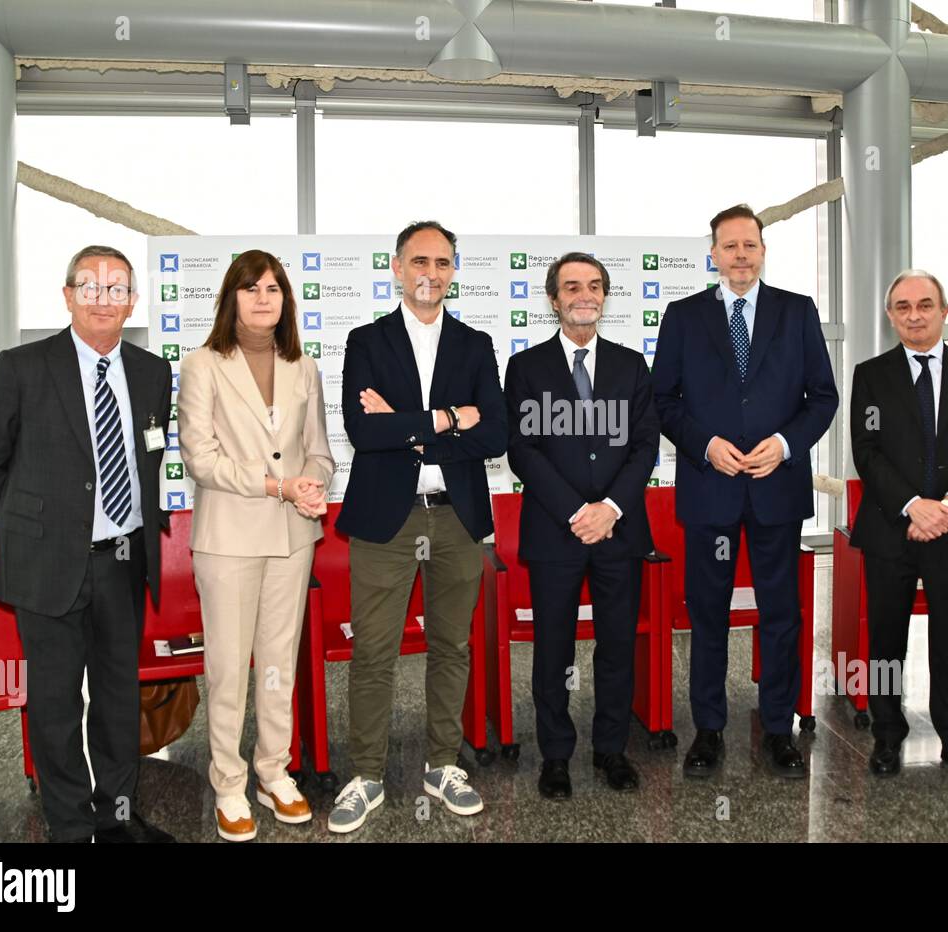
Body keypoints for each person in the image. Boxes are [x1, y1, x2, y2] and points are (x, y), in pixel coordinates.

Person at [0, 245, 173, 843]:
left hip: (124, 562)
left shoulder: (151, 372)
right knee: (55, 702)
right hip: (46, 566)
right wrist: (32, 531)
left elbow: (147, 460)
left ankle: (118, 816)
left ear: (132, 300)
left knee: (116, 696)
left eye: (116, 289)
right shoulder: (22, 367)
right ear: (67, 295)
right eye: (90, 286)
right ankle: (71, 826)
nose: (103, 299)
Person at [329, 221, 507, 833]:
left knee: (450, 646)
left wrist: (408, 427)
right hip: (387, 518)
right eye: (419, 260)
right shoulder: (366, 341)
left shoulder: (476, 344)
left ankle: (442, 764)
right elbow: (363, 432)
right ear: (398, 268)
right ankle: (367, 774)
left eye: (443, 261)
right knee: (374, 650)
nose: (431, 271)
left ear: (454, 270)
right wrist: (449, 418)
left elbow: (496, 435)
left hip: (456, 518)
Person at [652, 204, 838, 778]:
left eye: (749, 246)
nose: (740, 255)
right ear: (713, 254)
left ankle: (778, 728)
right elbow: (665, 401)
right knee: (707, 613)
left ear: (762, 252)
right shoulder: (682, 316)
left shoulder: (797, 311)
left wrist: (785, 444)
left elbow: (822, 398)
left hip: (775, 490)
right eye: (729, 246)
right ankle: (708, 729)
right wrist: (704, 445)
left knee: (780, 612)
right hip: (711, 489)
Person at [177, 249, 334, 841]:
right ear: (231, 297)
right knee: (228, 669)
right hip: (228, 539)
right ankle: (227, 781)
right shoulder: (202, 365)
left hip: (293, 537)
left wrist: (313, 484)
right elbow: (202, 458)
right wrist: (276, 485)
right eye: (251, 288)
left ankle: (273, 771)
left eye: (273, 288)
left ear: (285, 299)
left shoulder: (304, 366)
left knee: (276, 664)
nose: (263, 298)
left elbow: (318, 448)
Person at [504, 252, 660, 799]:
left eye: (594, 286)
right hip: (555, 531)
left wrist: (609, 509)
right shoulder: (525, 368)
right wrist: (577, 512)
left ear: (605, 296)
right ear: (554, 298)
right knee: (554, 649)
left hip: (619, 531)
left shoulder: (630, 365)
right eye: (572, 286)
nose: (584, 294)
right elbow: (523, 451)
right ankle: (555, 755)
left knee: (617, 645)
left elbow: (645, 446)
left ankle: (611, 749)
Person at [849, 270, 948, 788]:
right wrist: (914, 506)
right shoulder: (870, 375)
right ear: (890, 314)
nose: (913, 315)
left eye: (924, 304)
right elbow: (867, 452)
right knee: (886, 639)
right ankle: (887, 735)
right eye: (902, 306)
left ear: (944, 309)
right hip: (889, 529)